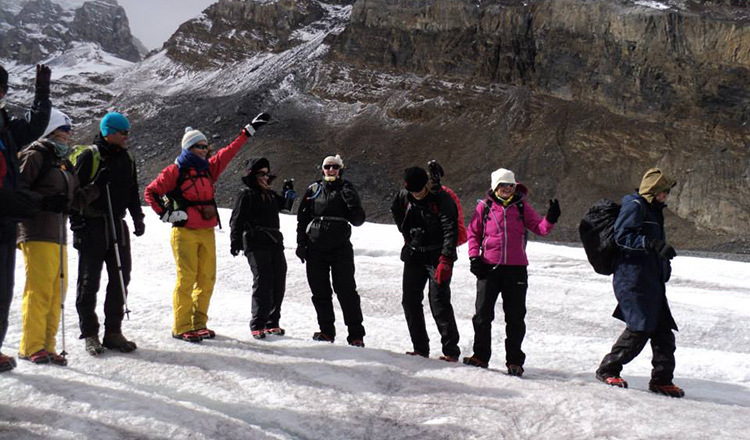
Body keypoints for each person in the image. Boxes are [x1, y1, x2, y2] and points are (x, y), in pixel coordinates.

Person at [145, 113, 270, 343]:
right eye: (200, 146)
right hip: (184, 233)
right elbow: (151, 192)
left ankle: (198, 323)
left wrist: (247, 131)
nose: (205, 150)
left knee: (206, 278)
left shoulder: (207, 169)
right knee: (187, 278)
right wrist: (166, 214)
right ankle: (181, 326)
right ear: (189, 148)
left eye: (206, 146)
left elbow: (229, 152)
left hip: (206, 230)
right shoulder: (175, 171)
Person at [16, 109, 98, 366]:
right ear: (51, 130)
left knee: (56, 291)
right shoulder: (35, 156)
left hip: (58, 235)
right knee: (39, 289)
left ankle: (48, 345)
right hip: (36, 231)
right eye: (65, 129)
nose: (69, 135)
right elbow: (18, 192)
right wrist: (45, 201)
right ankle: (31, 346)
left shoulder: (63, 161)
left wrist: (97, 188)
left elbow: (73, 200)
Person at [595, 168, 684, 398]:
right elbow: (622, 236)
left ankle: (662, 380)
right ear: (653, 191)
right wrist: (653, 244)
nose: (666, 196)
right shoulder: (635, 206)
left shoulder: (653, 210)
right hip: (632, 278)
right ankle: (608, 369)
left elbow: (653, 244)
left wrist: (663, 263)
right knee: (640, 327)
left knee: (663, 331)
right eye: (664, 192)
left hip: (651, 280)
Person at [463, 168, 559, 376]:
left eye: (511, 185)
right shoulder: (484, 207)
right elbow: (473, 234)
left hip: (516, 270)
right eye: (503, 185)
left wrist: (550, 218)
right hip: (489, 267)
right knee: (482, 315)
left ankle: (514, 361)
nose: (508, 189)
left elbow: (540, 228)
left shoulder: (522, 207)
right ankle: (480, 356)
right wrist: (473, 257)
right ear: (495, 187)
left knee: (515, 318)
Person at [71, 112, 145, 356]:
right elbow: (74, 193)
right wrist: (77, 225)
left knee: (121, 278)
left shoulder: (127, 158)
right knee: (89, 280)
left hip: (117, 223)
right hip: (92, 224)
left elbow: (133, 190)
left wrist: (138, 216)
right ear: (108, 132)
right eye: (123, 132)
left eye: (128, 132)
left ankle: (113, 331)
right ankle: (90, 333)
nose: (127, 137)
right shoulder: (90, 156)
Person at [0, 64, 51, 372]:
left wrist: (42, 93)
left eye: (2, 90)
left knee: (3, 292)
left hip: (5, 225)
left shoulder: (6, 127)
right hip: (4, 214)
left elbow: (35, 125)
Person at [390, 166, 461, 362]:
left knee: (438, 302)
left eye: (420, 190)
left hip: (437, 256)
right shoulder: (404, 196)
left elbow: (450, 229)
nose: (417, 194)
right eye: (413, 191)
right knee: (410, 301)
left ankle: (451, 350)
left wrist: (446, 259)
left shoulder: (440, 199)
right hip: (414, 255)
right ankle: (420, 348)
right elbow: (395, 209)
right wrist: (407, 234)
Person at [296, 154, 366, 346]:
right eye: (327, 167)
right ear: (322, 169)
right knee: (320, 291)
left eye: (335, 167)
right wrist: (301, 244)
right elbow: (302, 218)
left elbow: (358, 220)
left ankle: (356, 335)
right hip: (315, 248)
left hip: (340, 249)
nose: (331, 170)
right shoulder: (313, 189)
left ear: (341, 169)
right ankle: (326, 331)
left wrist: (351, 202)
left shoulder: (347, 188)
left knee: (346, 291)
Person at [229, 158, 295, 339]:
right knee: (263, 280)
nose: (265, 177)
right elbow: (236, 219)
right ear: (253, 175)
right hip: (255, 242)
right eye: (261, 174)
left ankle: (272, 322)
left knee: (278, 280)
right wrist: (235, 242)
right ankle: (258, 323)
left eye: (267, 173)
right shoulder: (247, 194)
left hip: (274, 242)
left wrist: (288, 192)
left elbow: (286, 206)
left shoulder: (271, 195)